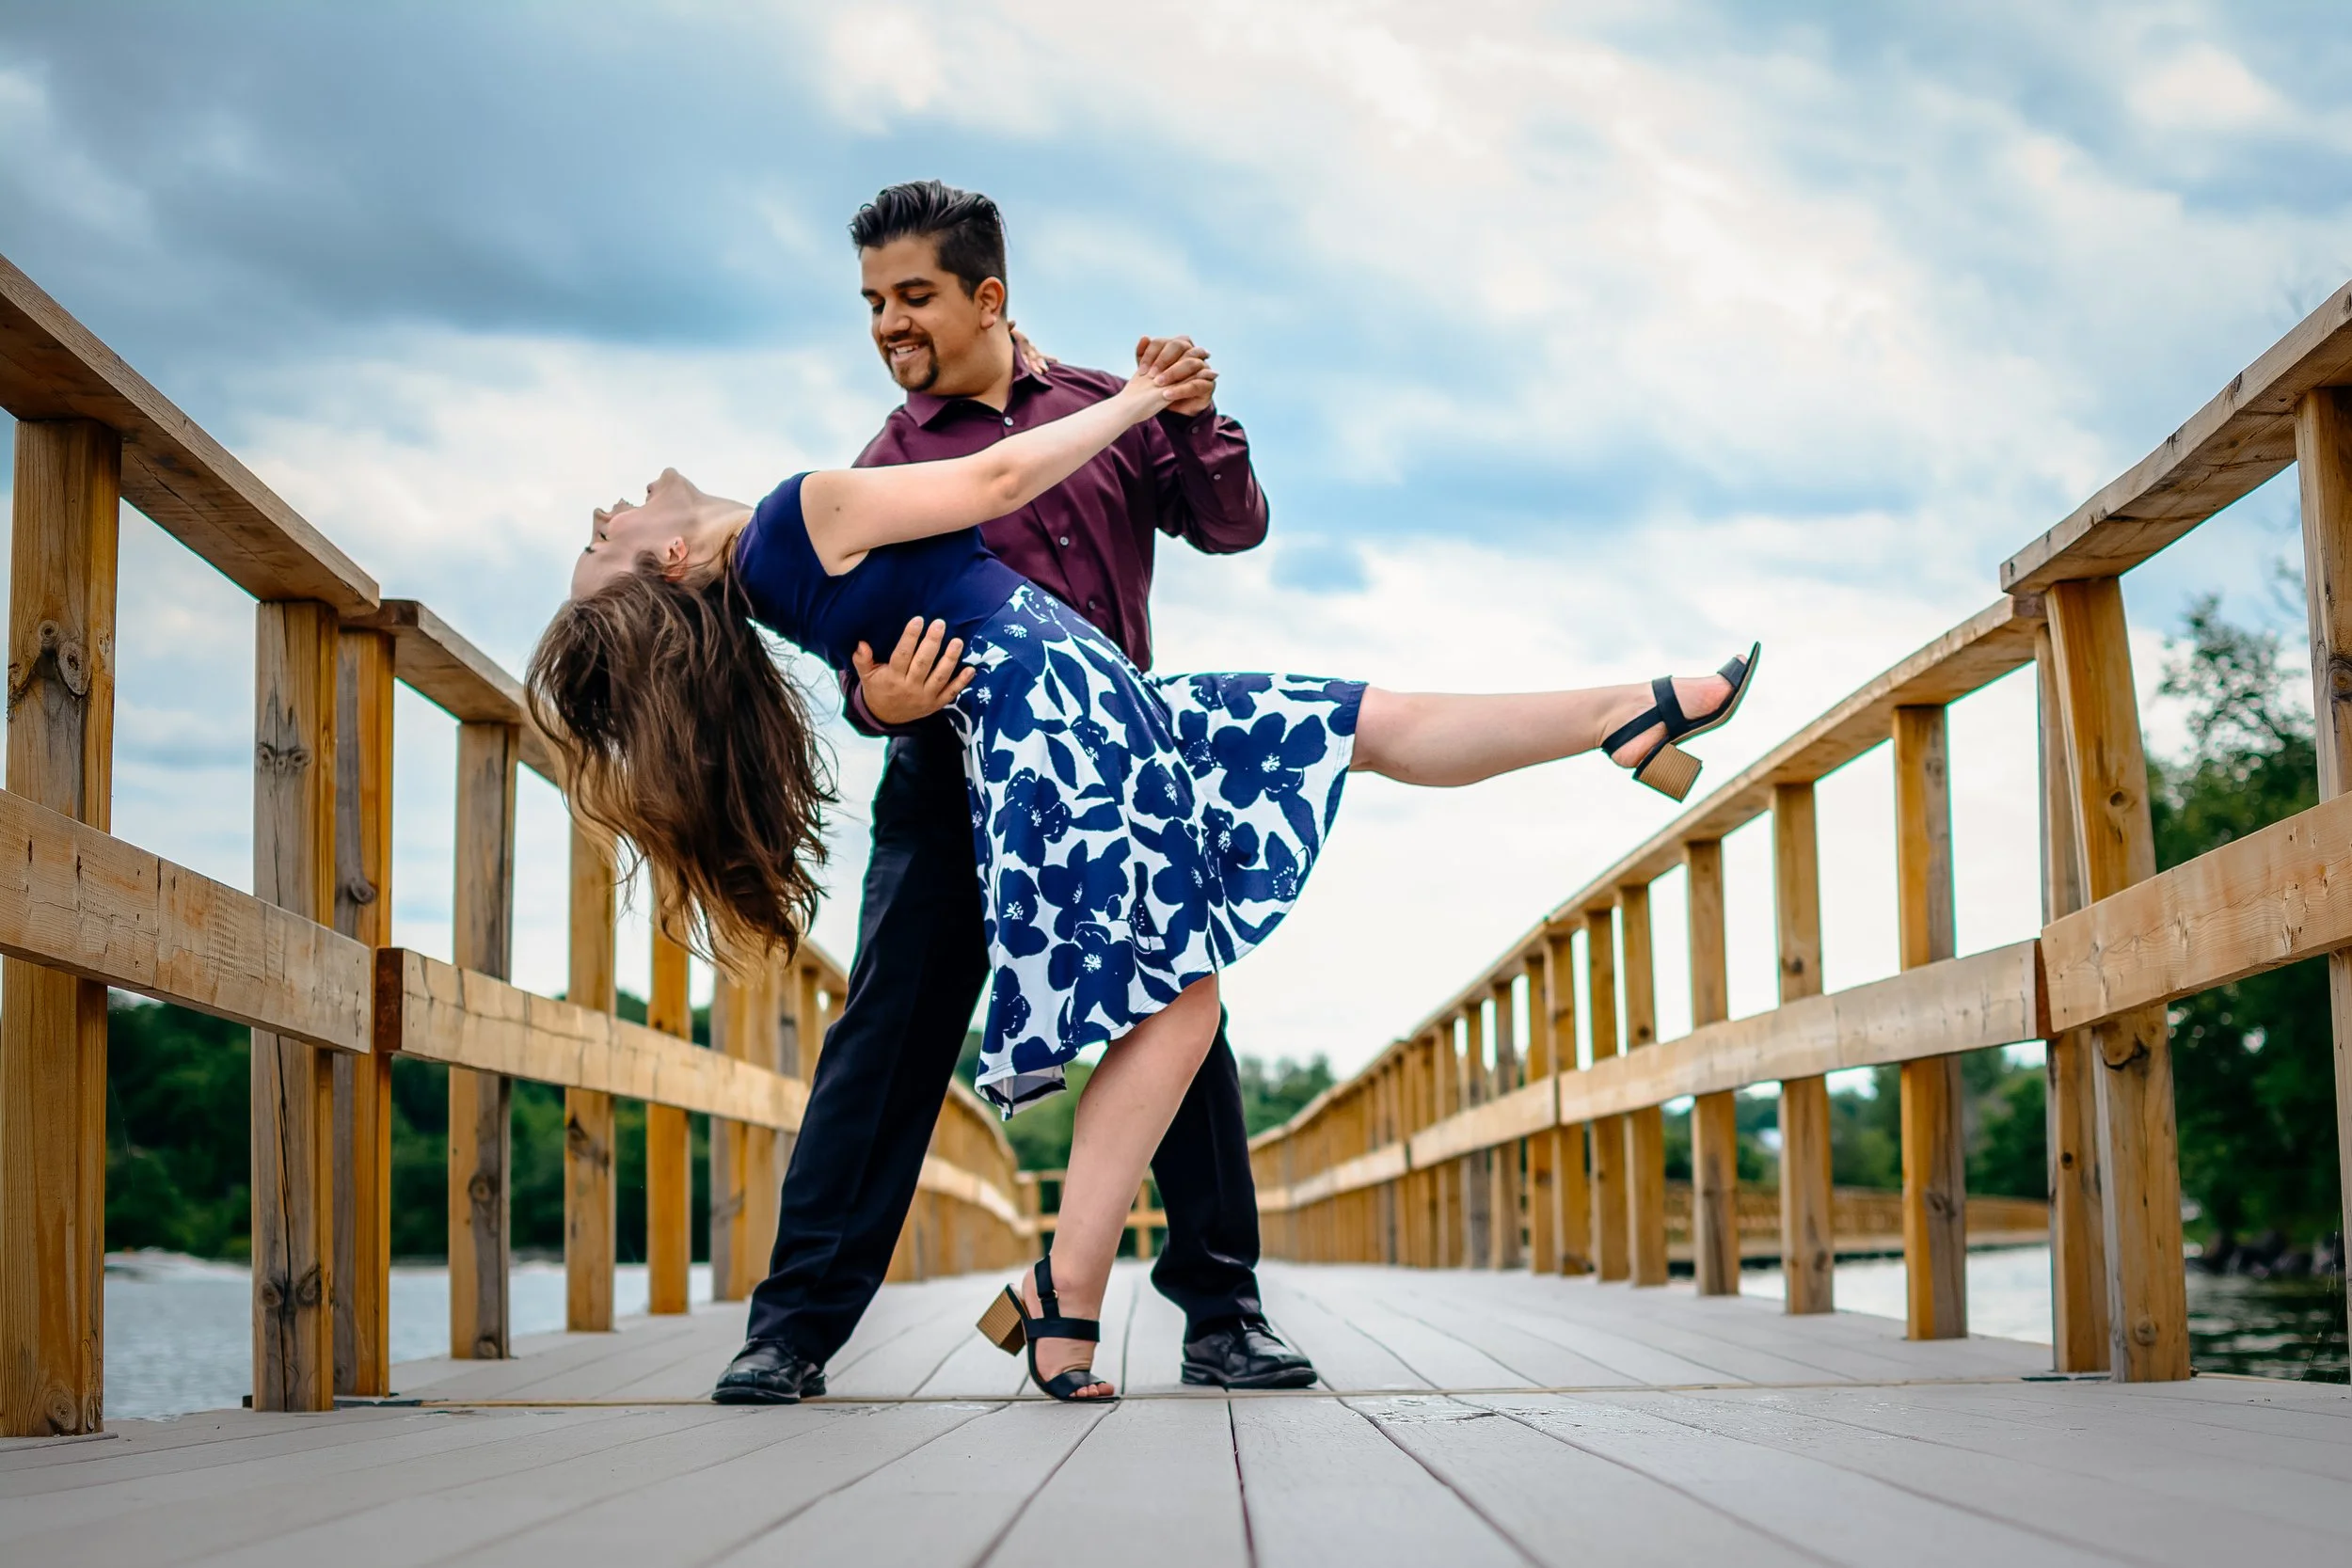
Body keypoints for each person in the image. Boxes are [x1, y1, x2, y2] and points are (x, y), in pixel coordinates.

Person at [529, 357, 1759, 1402]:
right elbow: (1000, 485)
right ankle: (1021, 1299)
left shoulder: (788, 551)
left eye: (908, 299)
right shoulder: (803, 509)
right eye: (602, 543)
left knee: (1348, 732)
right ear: (677, 557)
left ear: (979, 296)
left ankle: (1623, 714)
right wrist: (1143, 396)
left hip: (1093, 709)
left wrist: (1166, 419)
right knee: (1171, 992)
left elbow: (1158, 529)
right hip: (1054, 732)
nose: (604, 507)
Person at [718, 180, 1317, 1403]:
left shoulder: (1108, 407)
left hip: (1112, 770)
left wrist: (1197, 416)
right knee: (886, 1037)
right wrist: (875, 702)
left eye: (914, 297)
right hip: (943, 773)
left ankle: (1220, 1310)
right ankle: (791, 1329)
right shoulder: (888, 460)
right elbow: (845, 648)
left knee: (1179, 1020)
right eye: (874, 303)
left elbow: (1233, 524)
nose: (889, 325)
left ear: (988, 296)